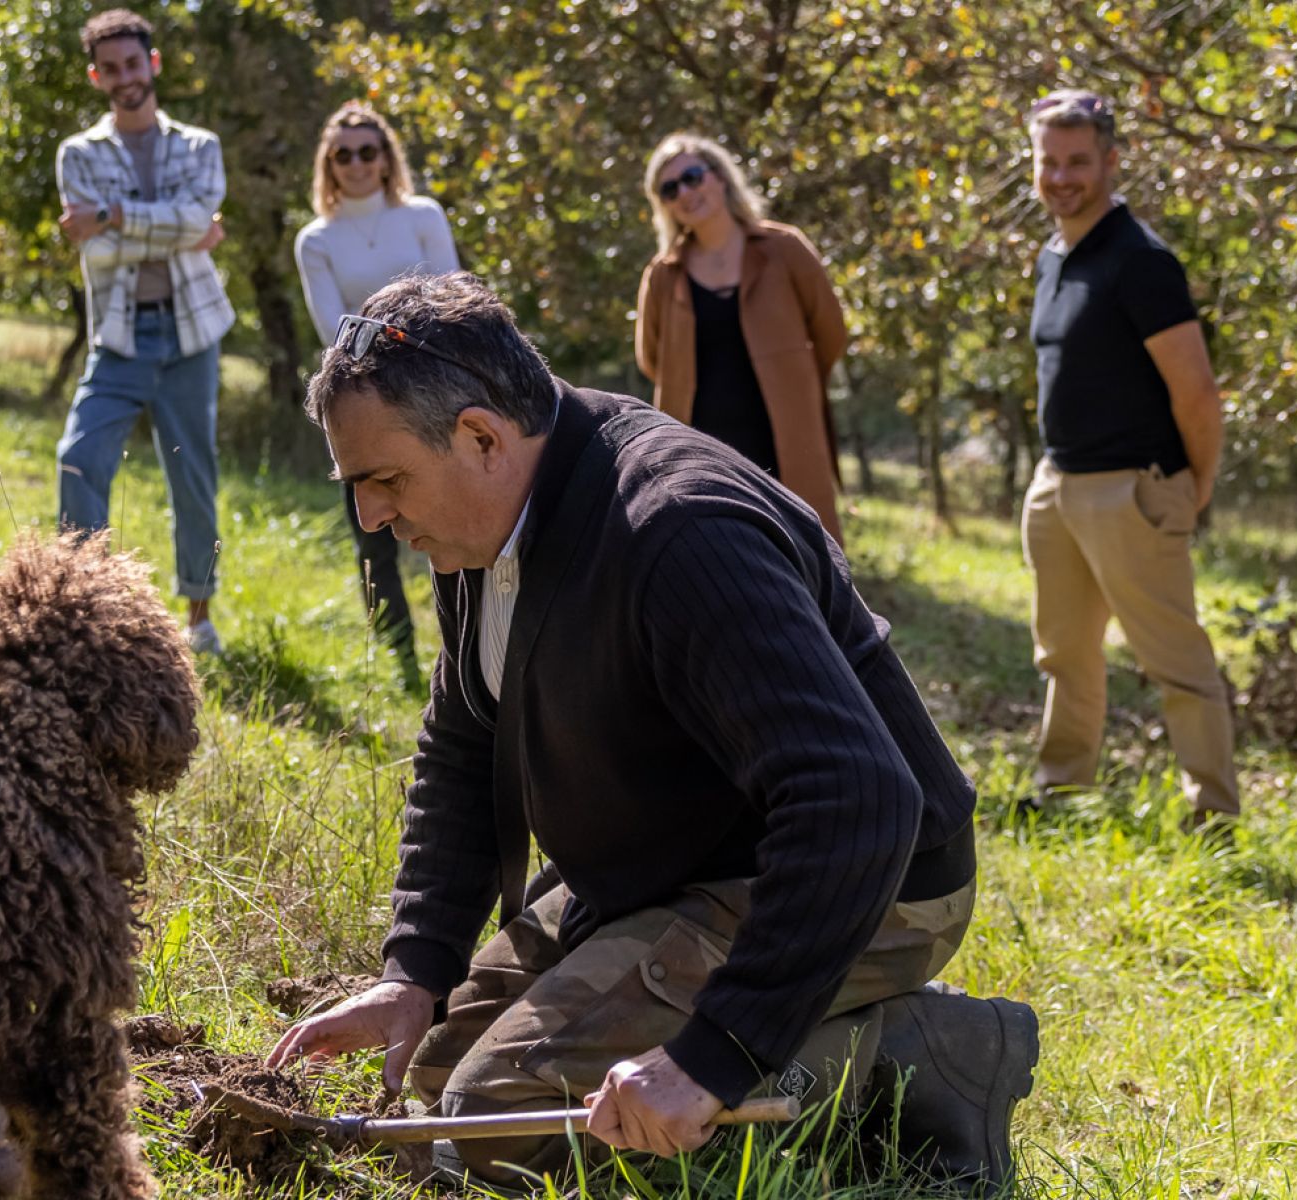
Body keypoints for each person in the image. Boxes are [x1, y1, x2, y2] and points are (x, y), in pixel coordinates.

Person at [266, 272, 1038, 1192]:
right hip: (673, 864)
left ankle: (901, 1057)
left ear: (480, 436)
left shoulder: (677, 531)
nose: (371, 516)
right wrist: (416, 969)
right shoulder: (489, 519)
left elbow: (857, 801)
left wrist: (711, 1059)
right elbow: (469, 738)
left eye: (385, 481)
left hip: (861, 879)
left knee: (491, 1130)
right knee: (433, 1084)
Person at [1020, 90, 1240, 829]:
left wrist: (1193, 487)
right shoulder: (1055, 255)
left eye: (1077, 161)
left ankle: (1212, 814)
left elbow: (1198, 394)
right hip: (1057, 486)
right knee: (1064, 655)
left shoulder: (1140, 262)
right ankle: (1061, 791)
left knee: (1175, 664)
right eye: (1048, 161)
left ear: (1111, 162)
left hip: (1131, 490)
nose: (1060, 177)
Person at [54, 8, 233, 655]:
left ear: (151, 64)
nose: (124, 76)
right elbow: (109, 249)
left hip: (191, 336)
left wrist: (109, 216)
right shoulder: (78, 154)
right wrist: (181, 227)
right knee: (78, 458)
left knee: (193, 476)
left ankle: (199, 615)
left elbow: (174, 225)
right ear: (96, 76)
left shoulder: (198, 146)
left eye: (133, 63)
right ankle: (85, 609)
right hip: (123, 336)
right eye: (111, 68)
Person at [294, 102, 460, 682]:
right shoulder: (315, 239)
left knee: (458, 523)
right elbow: (330, 329)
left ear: (387, 157)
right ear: (329, 164)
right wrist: (392, 355)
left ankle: (464, 656)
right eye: (344, 154)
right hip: (359, 404)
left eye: (369, 150)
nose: (358, 163)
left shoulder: (421, 214)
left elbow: (448, 294)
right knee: (377, 536)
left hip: (437, 389)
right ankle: (401, 664)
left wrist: (412, 361)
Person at [634, 134, 848, 542]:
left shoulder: (785, 249)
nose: (685, 193)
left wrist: (794, 380)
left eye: (693, 177)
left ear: (720, 177)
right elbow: (651, 359)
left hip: (787, 440)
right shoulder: (663, 275)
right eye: (670, 188)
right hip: (702, 449)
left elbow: (830, 332)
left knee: (808, 557)